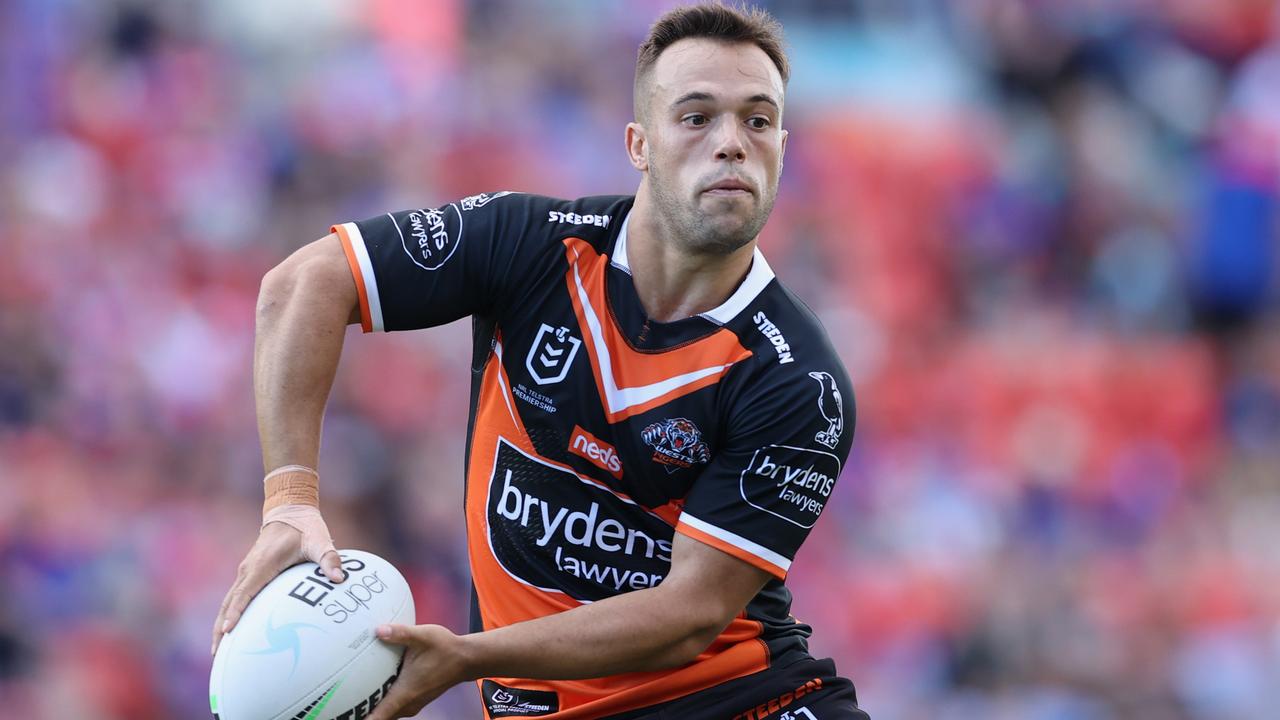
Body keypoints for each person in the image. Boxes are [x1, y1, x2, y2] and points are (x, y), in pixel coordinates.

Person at [211, 4, 868, 718]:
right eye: (697, 116)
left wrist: (469, 657)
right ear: (639, 144)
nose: (732, 143)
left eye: (759, 120)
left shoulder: (798, 378)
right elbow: (302, 284)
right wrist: (290, 502)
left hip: (742, 702)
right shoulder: (530, 246)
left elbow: (689, 616)